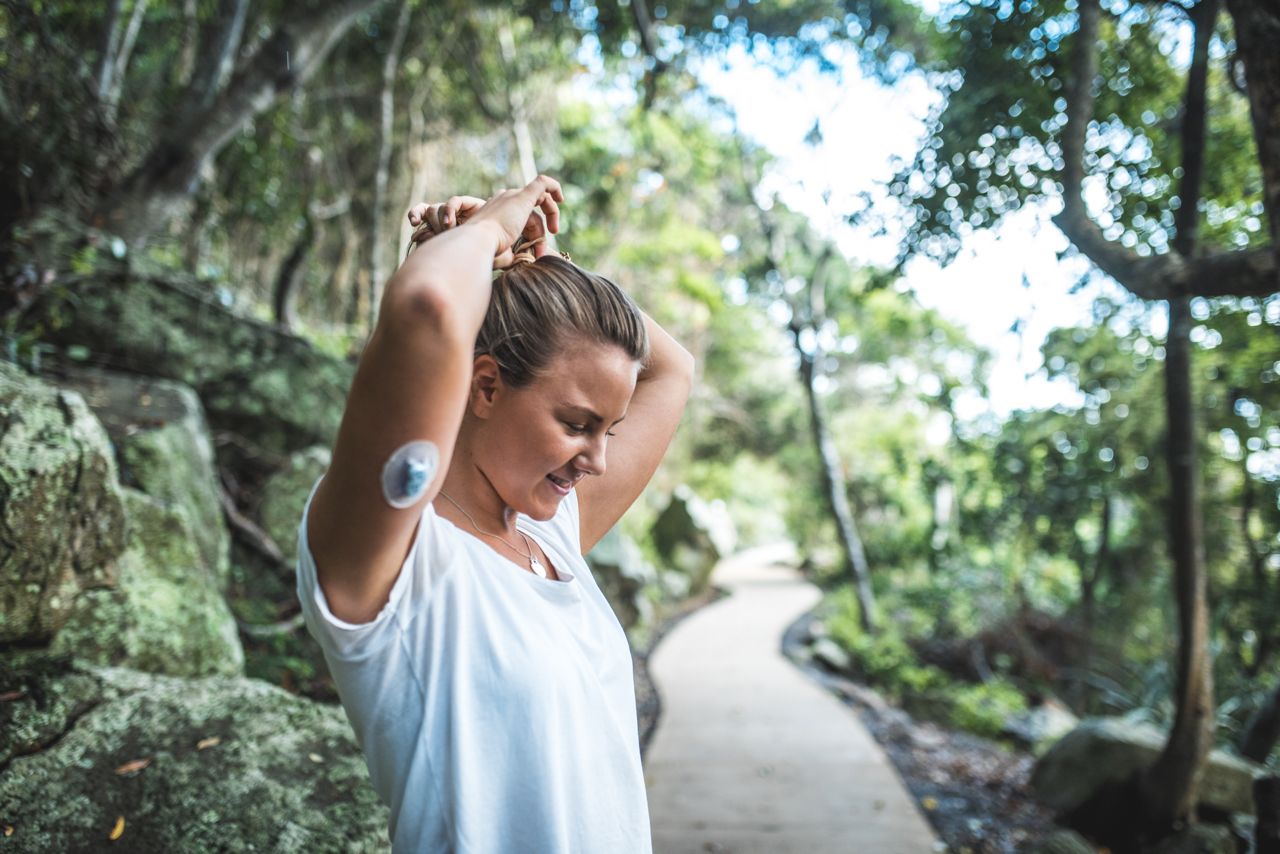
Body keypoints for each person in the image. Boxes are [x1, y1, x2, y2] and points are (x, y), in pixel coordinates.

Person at [294, 175, 694, 853]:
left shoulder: (551, 533)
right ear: (484, 385)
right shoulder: (396, 558)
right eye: (577, 424)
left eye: (610, 431)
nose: (596, 459)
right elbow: (427, 306)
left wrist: (541, 271)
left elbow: (673, 369)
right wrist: (484, 233)